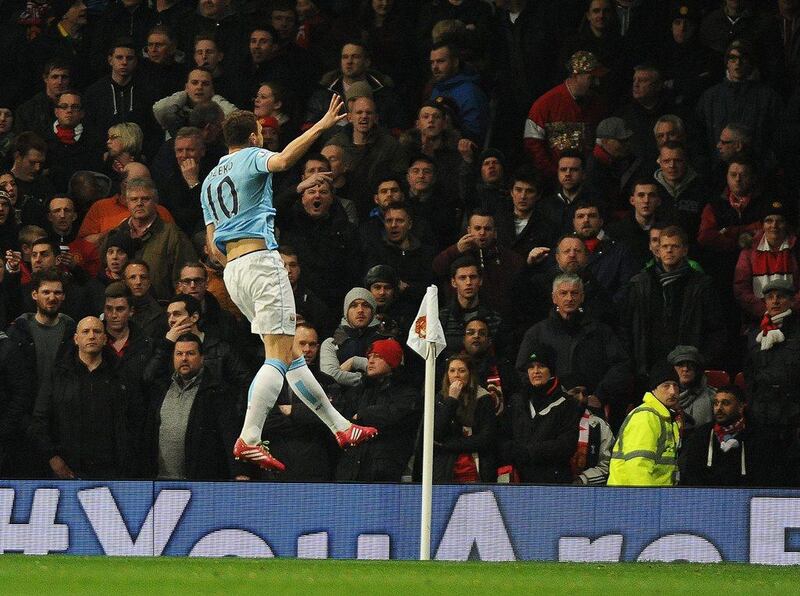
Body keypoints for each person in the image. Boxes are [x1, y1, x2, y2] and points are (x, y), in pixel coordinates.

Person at [201, 97, 378, 471]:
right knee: (278, 357)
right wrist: (321, 125)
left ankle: (341, 427)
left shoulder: (210, 180)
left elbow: (211, 241)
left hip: (233, 269)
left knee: (291, 356)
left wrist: (237, 263)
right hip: (260, 262)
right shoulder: (249, 156)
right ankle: (249, 437)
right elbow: (281, 162)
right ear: (253, 136)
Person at [30, 316, 133, 479]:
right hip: (67, 470)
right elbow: (40, 420)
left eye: (97, 331)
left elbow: (133, 420)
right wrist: (52, 457)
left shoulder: (121, 376)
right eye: (86, 331)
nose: (92, 336)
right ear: (76, 339)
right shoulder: (58, 375)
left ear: (105, 339)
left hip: (111, 471)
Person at [503, 345, 582, 483]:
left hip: (554, 482)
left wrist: (529, 452)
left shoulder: (567, 404)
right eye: (531, 367)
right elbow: (504, 436)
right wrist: (514, 453)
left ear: (551, 370)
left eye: (541, 366)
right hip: (519, 481)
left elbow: (567, 445)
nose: (536, 371)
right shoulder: (517, 401)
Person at [680, 385, 784, 486]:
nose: (718, 408)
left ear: (740, 407)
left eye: (725, 403)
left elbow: (765, 476)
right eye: (716, 403)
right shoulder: (702, 434)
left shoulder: (760, 436)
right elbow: (692, 474)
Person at [607, 361, 681, 486]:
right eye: (666, 386)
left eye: (675, 385)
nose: (672, 391)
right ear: (654, 389)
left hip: (655, 497)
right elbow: (638, 466)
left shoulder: (666, 418)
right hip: (633, 499)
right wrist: (647, 502)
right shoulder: (645, 416)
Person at [424, 355, 497, 483]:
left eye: (461, 370)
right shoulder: (440, 398)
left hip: (475, 464)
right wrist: (451, 400)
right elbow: (435, 432)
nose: (456, 375)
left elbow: (486, 437)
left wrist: (448, 445)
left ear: (470, 374)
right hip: (445, 467)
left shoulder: (484, 398)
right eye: (452, 371)